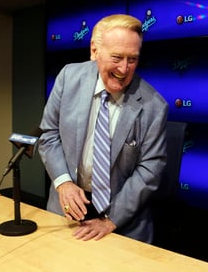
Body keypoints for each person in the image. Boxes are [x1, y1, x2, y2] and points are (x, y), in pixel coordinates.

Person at [38, 14, 169, 243]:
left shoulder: (154, 106)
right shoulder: (68, 77)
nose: (124, 68)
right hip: (66, 210)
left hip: (123, 223)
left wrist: (111, 219)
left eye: (132, 59)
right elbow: (49, 135)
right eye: (117, 57)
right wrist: (63, 183)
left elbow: (150, 168)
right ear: (94, 50)